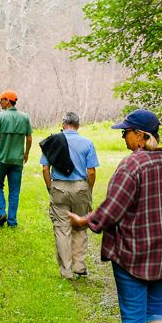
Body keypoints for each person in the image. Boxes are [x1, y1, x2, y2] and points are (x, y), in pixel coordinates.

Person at [68, 109, 162, 323]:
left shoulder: (131, 165)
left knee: (133, 314)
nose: (124, 138)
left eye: (126, 133)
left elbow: (113, 208)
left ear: (140, 136)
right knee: (157, 307)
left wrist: (84, 221)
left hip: (133, 253)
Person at [40, 112, 99, 279]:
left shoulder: (53, 142)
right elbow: (92, 171)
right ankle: (79, 265)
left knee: (61, 228)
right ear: (78, 126)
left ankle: (66, 270)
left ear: (63, 124)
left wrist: (50, 187)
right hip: (81, 187)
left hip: (59, 187)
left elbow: (45, 168)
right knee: (80, 226)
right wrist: (89, 189)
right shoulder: (87, 143)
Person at [0, 90, 33, 227]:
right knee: (14, 190)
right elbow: (29, 138)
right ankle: (12, 221)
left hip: (1, 159)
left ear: (8, 101)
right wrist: (26, 153)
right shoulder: (25, 117)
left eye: (1, 100)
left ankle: (1, 211)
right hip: (17, 160)